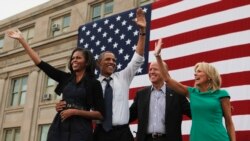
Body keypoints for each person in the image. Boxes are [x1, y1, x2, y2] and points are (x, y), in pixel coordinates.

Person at [7, 30, 105, 141]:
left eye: (78, 58)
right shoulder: (66, 78)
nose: (74, 61)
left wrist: (74, 111)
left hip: (80, 130)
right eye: (72, 58)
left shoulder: (94, 83)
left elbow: (100, 114)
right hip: (60, 127)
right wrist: (22, 40)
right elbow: (40, 63)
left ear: (86, 62)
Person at [154, 39, 236, 141]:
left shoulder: (222, 94)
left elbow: (229, 122)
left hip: (218, 138)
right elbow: (167, 79)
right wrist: (158, 56)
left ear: (209, 76)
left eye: (199, 71)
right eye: (195, 72)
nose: (195, 74)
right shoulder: (191, 92)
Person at [92, 8, 147, 141]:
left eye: (114, 60)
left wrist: (142, 32)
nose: (112, 62)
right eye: (108, 59)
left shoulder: (123, 77)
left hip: (122, 134)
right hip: (100, 134)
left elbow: (137, 58)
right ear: (99, 63)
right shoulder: (93, 84)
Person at [129, 61, 191, 141]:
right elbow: (128, 117)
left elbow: (195, 114)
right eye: (150, 69)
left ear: (165, 72)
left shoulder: (177, 94)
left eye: (155, 69)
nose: (151, 72)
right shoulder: (141, 94)